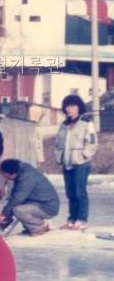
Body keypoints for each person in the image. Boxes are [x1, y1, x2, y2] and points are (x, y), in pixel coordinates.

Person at [54, 94, 98, 230]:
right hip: (67, 164)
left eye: (73, 106)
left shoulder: (86, 122)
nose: (69, 109)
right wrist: (58, 157)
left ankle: (82, 220)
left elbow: (92, 142)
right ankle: (72, 219)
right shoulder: (64, 125)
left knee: (80, 192)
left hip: (80, 164)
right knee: (70, 193)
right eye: (67, 106)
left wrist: (83, 156)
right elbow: (57, 143)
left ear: (79, 107)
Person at [0, 159, 60, 236]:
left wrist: (4, 214)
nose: (5, 178)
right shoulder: (22, 172)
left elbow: (18, 199)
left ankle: (39, 227)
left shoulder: (27, 178)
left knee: (19, 210)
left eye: (5, 175)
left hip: (47, 207)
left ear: (11, 174)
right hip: (38, 202)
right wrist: (6, 214)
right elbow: (15, 197)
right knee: (17, 207)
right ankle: (31, 227)